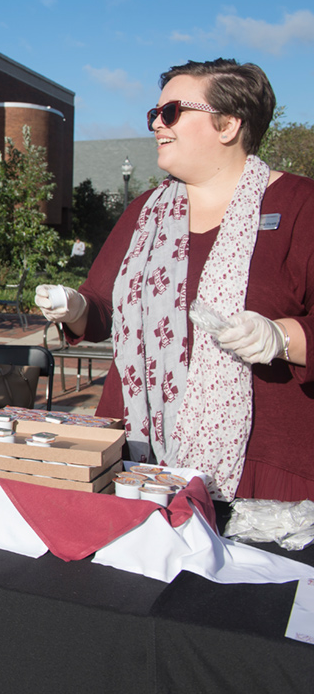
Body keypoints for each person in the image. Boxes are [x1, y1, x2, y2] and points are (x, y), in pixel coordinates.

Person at [36, 58, 314, 503]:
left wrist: (282, 337)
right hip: (138, 463)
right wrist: (75, 306)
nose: (156, 125)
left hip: (261, 477)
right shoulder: (144, 212)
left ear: (228, 125)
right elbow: (100, 307)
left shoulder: (302, 206)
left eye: (171, 113)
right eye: (154, 114)